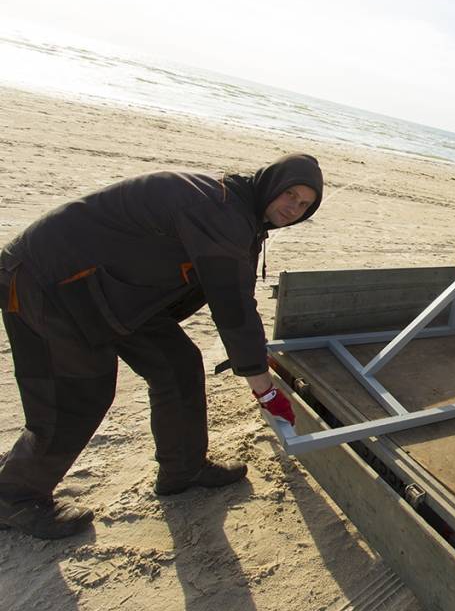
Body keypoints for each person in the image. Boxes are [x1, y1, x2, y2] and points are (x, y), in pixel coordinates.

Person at [0, 153, 323, 540]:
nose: (293, 208)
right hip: (49, 283)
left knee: (178, 364)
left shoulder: (239, 214)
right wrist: (266, 391)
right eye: (289, 194)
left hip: (115, 293)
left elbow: (229, 289)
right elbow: (233, 306)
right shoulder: (218, 210)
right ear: (270, 184)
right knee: (79, 394)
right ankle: (16, 495)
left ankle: (183, 470)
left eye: (305, 204)